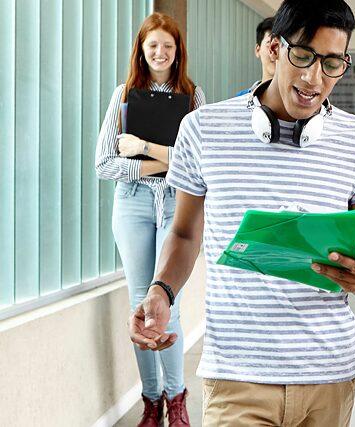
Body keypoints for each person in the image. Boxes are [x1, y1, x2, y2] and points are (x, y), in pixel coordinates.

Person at [127, 1, 355, 426]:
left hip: (328, 375)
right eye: (303, 56)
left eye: (331, 64)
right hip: (236, 374)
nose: (313, 78)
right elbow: (183, 234)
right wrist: (161, 289)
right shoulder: (202, 129)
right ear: (273, 47)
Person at [94, 12, 205, 427]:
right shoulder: (124, 95)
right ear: (141, 49)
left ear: (178, 53)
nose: (160, 52)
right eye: (153, 45)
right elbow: (104, 164)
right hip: (132, 203)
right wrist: (161, 162)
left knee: (166, 301)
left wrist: (141, 146)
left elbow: (200, 163)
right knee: (141, 306)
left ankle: (176, 400)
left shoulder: (193, 97)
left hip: (176, 205)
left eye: (168, 46)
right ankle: (151, 400)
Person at [236, 17, 276, 96]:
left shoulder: (297, 102)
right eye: (269, 44)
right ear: (258, 50)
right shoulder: (241, 99)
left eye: (280, 46)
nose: (274, 52)